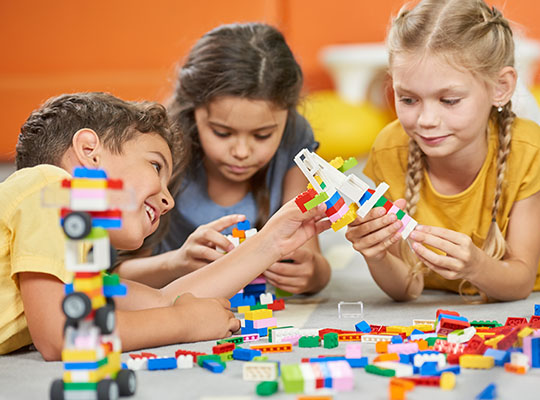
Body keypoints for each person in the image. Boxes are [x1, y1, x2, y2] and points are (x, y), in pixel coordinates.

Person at [1, 92, 330, 360]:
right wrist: (184, 323)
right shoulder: (49, 187)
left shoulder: (66, 263)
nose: (168, 200)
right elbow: (63, 337)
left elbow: (164, 300)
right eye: (155, 166)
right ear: (90, 152)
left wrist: (273, 241)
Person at [345, 0, 540, 302]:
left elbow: (519, 282)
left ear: (500, 87)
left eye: (449, 100)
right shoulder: (390, 148)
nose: (426, 121)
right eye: (408, 100)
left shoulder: (527, 151)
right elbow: (407, 289)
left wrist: (475, 266)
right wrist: (377, 254)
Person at [115, 23, 331, 294]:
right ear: (194, 112)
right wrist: (176, 263)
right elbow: (110, 277)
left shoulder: (294, 137)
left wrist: (313, 273)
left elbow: (313, 261)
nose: (241, 151)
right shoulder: (159, 148)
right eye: (222, 132)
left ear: (286, 117)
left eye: (262, 135)